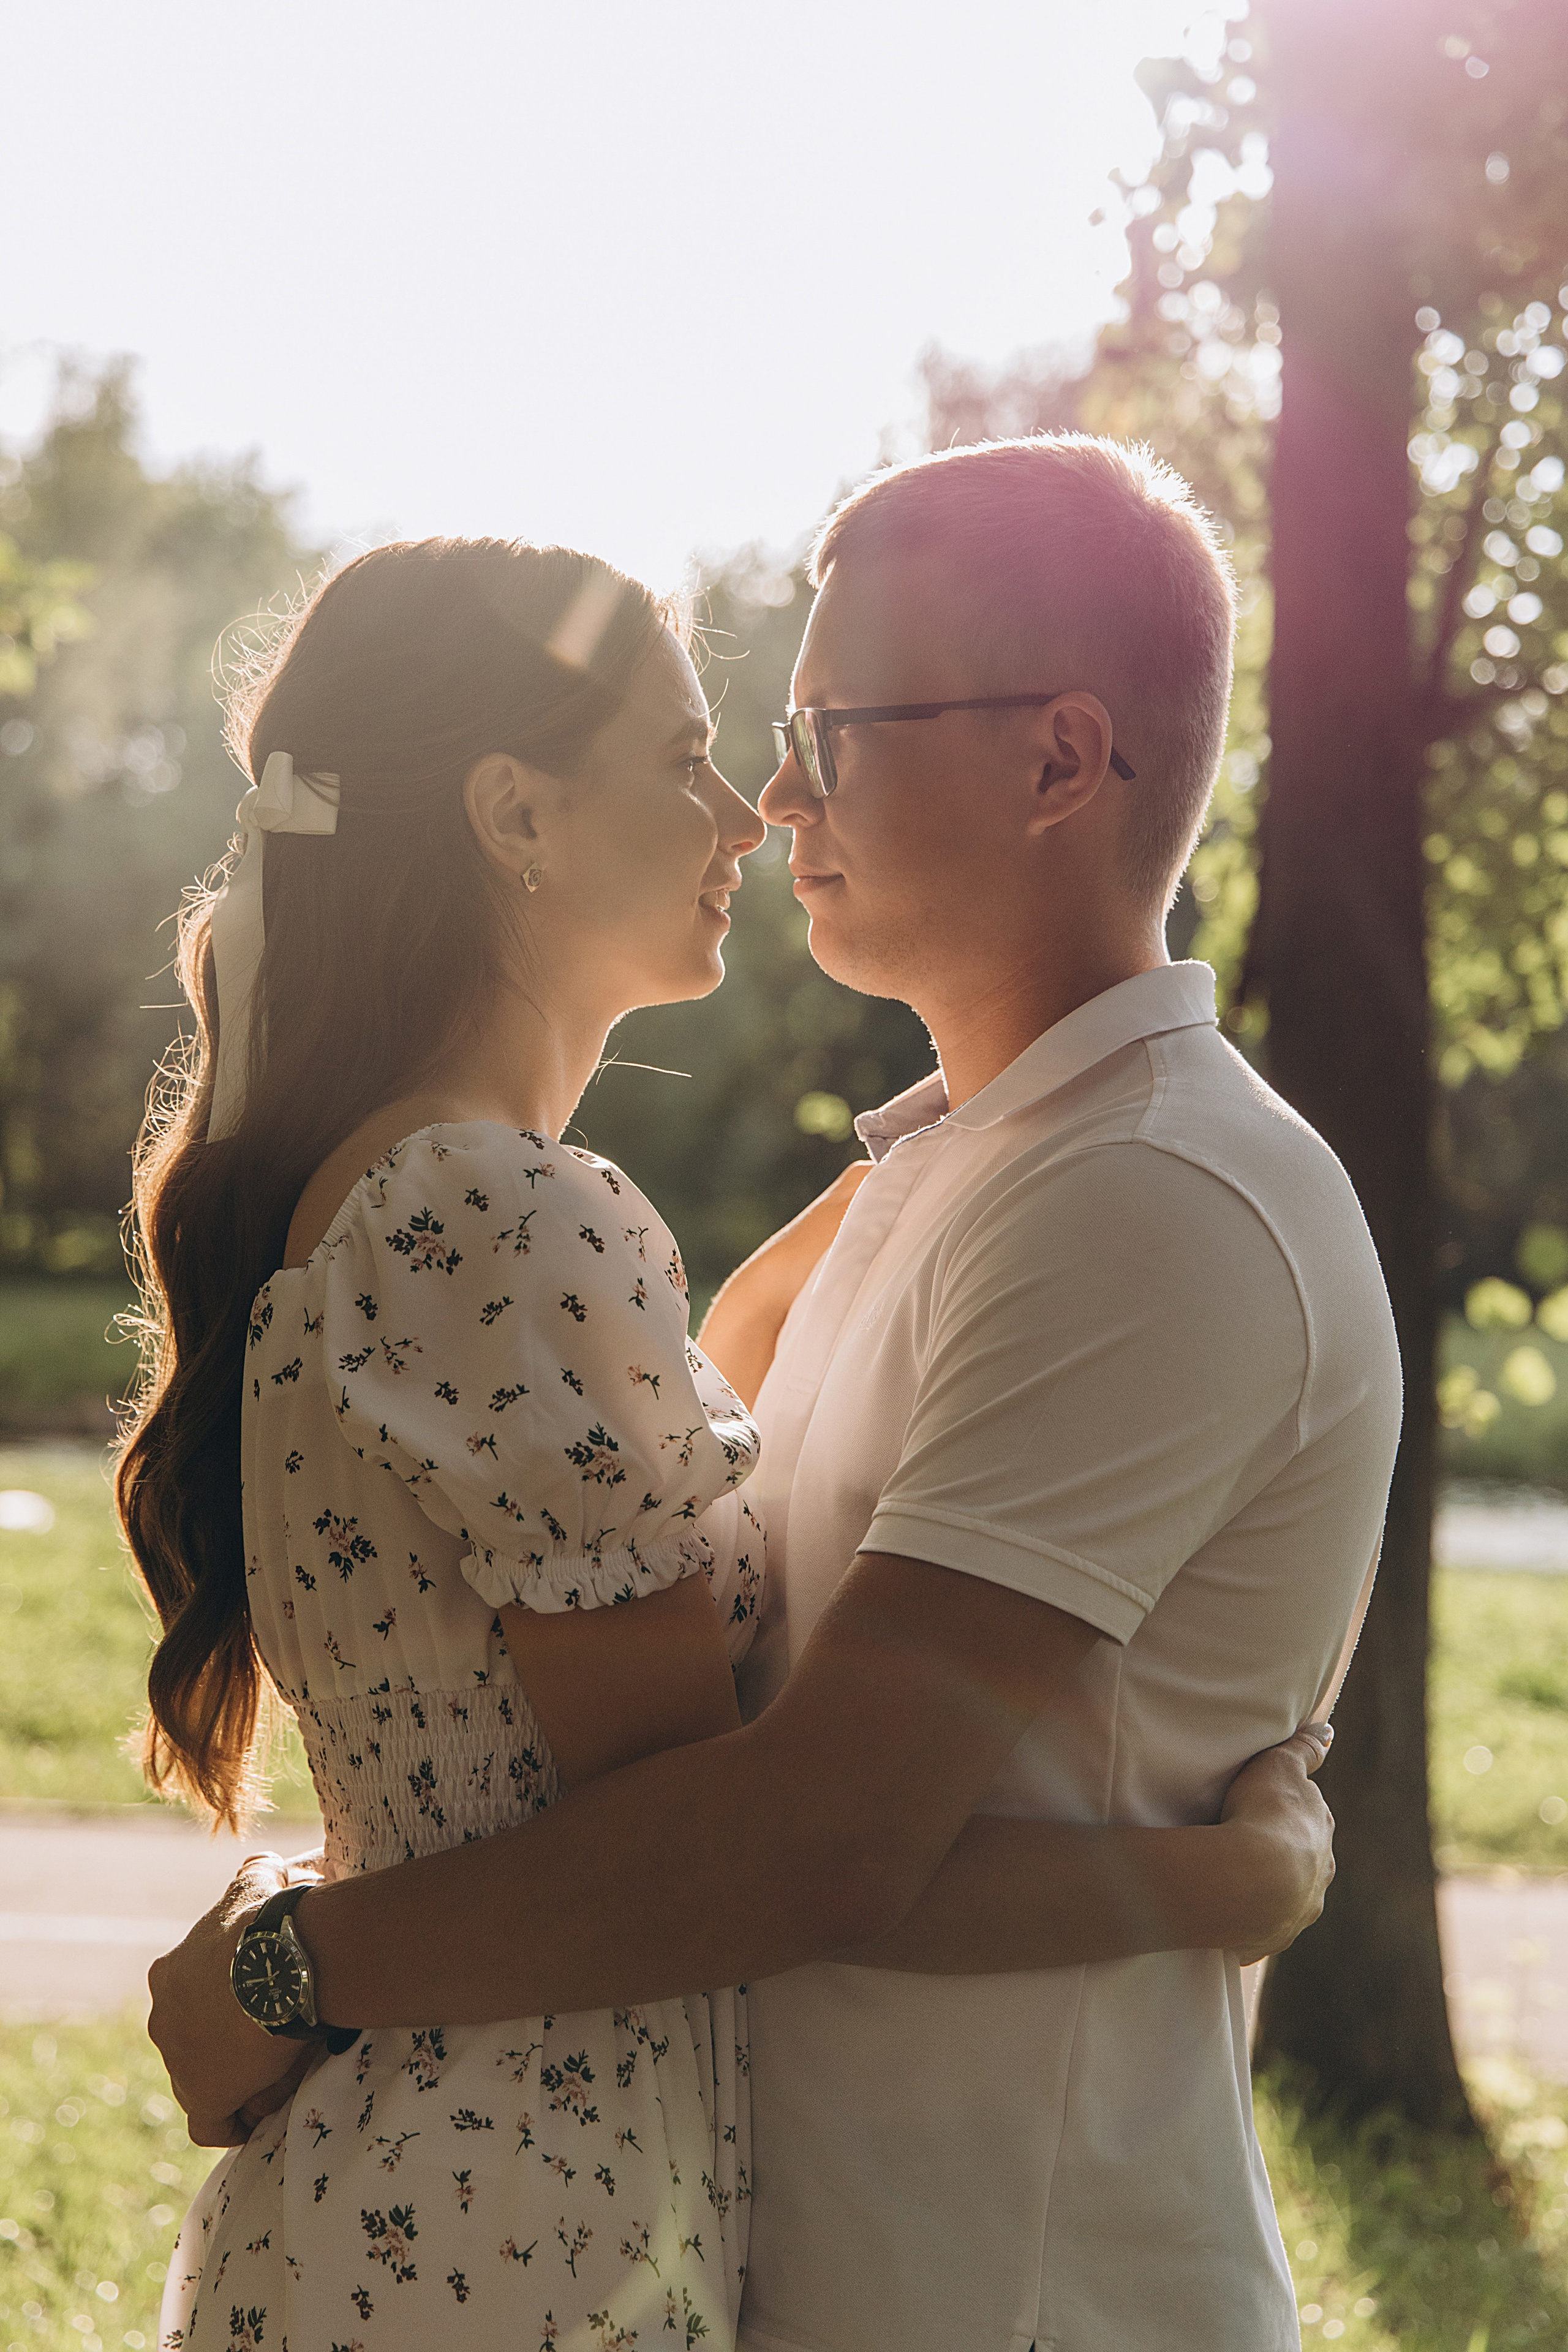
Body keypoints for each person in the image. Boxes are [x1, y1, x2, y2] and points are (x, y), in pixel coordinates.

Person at [137, 442, 1379, 2352]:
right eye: (740, 736)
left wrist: (303, 1961)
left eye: (837, 727)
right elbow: (591, 1742)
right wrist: (1227, 1875)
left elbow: (800, 1834)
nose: (774, 795)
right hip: (633, 2235)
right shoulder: (944, 1173)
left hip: (1010, 2291)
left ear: (1060, 762)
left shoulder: (1150, 1197)